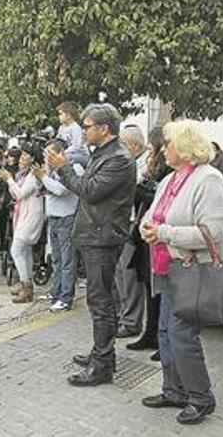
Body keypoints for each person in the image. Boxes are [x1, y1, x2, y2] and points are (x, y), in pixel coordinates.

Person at [139, 120, 223, 425]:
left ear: (185, 146)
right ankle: (174, 390)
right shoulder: (170, 179)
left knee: (181, 334)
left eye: (168, 143)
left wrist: (163, 232)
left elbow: (212, 234)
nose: (164, 149)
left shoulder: (209, 179)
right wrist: (147, 226)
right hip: (166, 267)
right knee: (165, 332)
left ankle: (201, 397)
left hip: (192, 269)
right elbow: (153, 214)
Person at [46, 103, 136, 387]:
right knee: (102, 299)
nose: (83, 131)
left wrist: (62, 170)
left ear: (104, 129)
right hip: (95, 234)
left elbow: (91, 190)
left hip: (103, 237)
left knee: (101, 302)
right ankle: (102, 354)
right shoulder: (104, 154)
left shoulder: (119, 158)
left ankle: (102, 365)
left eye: (87, 127)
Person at [126, 126, 172, 361]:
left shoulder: (168, 171)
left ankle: (160, 338)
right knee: (148, 286)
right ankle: (150, 332)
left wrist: (140, 188)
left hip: (160, 237)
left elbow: (160, 200)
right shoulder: (153, 169)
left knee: (160, 290)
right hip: (146, 234)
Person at [33, 139, 81, 311]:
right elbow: (43, 190)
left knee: (67, 261)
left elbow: (61, 190)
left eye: (50, 154)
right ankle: (56, 291)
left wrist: (43, 177)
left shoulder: (73, 168)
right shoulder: (51, 171)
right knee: (56, 259)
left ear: (60, 153)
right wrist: (40, 178)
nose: (47, 158)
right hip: (53, 218)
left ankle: (66, 296)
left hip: (66, 219)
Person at [0, 144, 45, 303]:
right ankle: (27, 283)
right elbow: (16, 193)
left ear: (33, 159)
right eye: (22, 155)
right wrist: (10, 180)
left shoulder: (33, 175)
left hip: (31, 216)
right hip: (23, 215)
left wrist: (9, 179)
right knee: (25, 251)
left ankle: (26, 286)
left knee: (16, 250)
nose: (21, 158)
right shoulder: (24, 174)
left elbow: (21, 193)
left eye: (25, 156)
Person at [115, 125, 149, 338]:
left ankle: (131, 321)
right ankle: (124, 316)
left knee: (129, 275)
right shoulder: (130, 163)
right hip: (123, 223)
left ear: (135, 146)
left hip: (135, 224)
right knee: (120, 273)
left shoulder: (144, 166)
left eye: (123, 144)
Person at [56, 101, 90, 167]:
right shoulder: (61, 128)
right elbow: (59, 142)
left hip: (81, 155)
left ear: (68, 115)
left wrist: (63, 152)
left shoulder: (76, 128)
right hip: (67, 153)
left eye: (60, 114)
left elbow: (77, 146)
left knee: (63, 158)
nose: (59, 116)